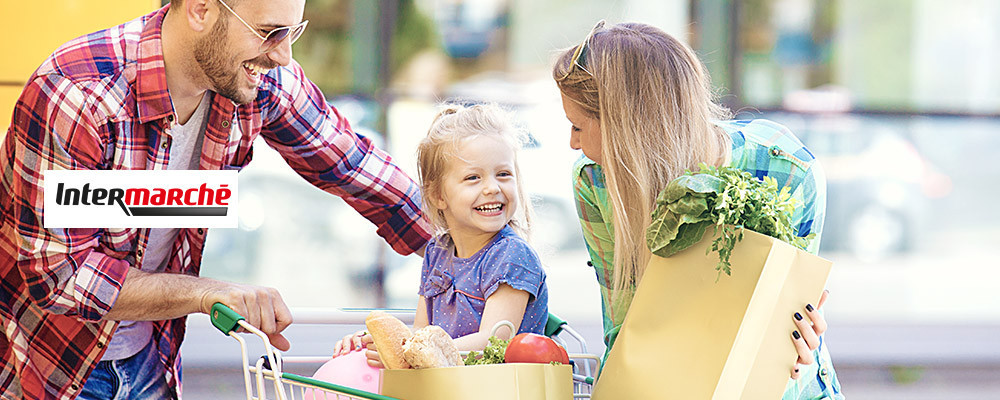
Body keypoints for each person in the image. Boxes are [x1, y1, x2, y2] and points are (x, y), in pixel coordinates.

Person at [0, 0, 433, 398]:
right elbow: (60, 276)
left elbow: (354, 165)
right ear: (202, 9)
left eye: (292, 32)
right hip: (46, 366)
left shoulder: (256, 78)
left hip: (153, 362)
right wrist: (207, 294)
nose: (283, 55)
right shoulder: (78, 93)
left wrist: (480, 250)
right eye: (269, 32)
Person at [553, 21, 843, 398]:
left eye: (577, 126)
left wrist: (795, 341)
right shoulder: (595, 181)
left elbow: (786, 323)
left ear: (629, 129)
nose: (572, 143)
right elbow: (624, 329)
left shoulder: (786, 170)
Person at [332, 104, 549, 367]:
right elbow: (421, 332)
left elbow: (495, 343)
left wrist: (411, 351)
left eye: (503, 174)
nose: (492, 187)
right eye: (473, 178)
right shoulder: (437, 252)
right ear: (438, 196)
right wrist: (378, 343)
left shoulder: (511, 255)